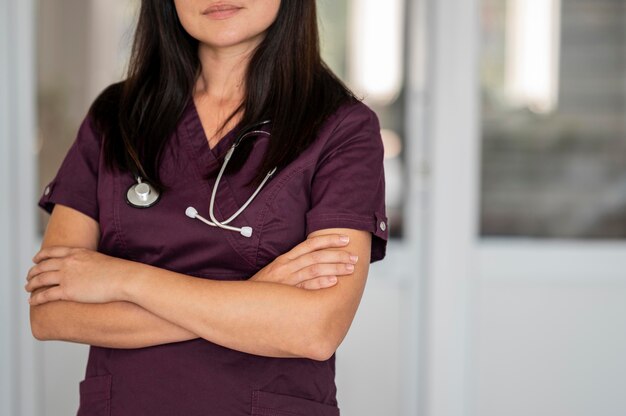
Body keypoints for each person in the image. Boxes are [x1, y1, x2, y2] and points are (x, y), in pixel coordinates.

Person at [25, 0, 388, 414]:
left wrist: (123, 280)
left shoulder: (342, 130)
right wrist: (254, 299)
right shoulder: (115, 119)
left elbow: (316, 329)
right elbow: (51, 312)